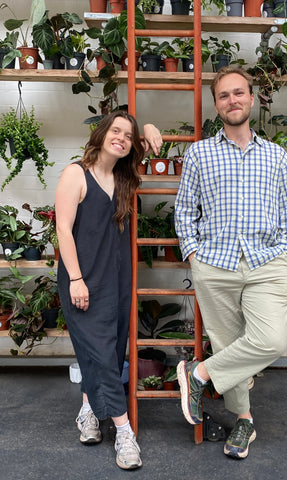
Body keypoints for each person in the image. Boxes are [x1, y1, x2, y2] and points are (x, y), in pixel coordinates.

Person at [174, 66, 287, 460]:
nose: (233, 100)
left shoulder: (277, 157)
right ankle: (243, 420)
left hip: (267, 262)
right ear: (216, 104)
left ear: (251, 97)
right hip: (215, 263)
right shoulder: (199, 153)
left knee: (270, 340)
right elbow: (183, 210)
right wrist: (194, 254)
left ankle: (198, 374)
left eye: (239, 93)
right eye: (224, 95)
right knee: (229, 344)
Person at [55, 112, 162, 470]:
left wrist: (147, 128)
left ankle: (87, 411)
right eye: (115, 130)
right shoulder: (76, 174)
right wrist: (74, 279)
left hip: (115, 281)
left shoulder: (122, 177)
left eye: (127, 135)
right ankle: (124, 431)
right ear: (101, 133)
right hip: (81, 281)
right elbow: (64, 231)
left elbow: (146, 144)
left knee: (110, 354)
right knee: (100, 353)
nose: (121, 138)